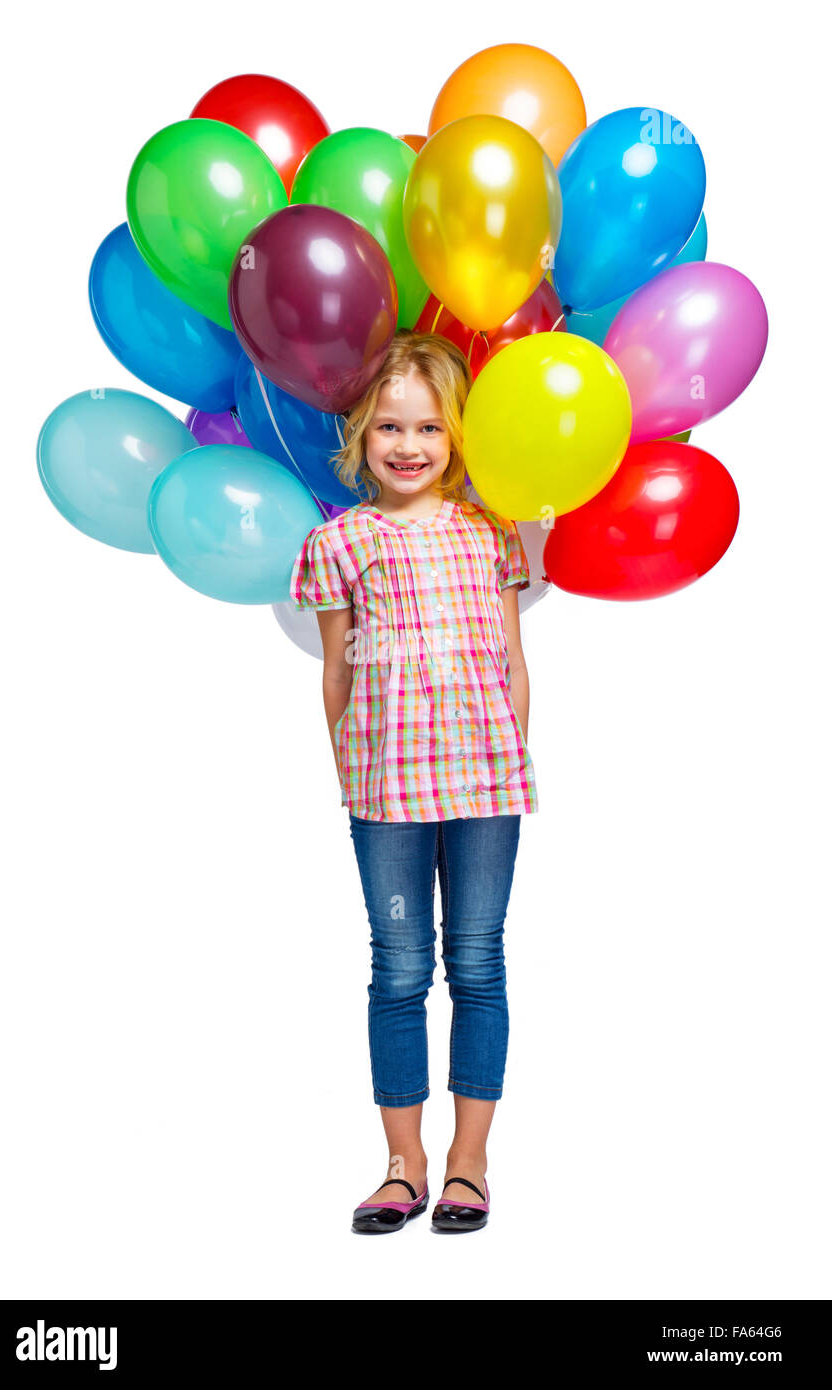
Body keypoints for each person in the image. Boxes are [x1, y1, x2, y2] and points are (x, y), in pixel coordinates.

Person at [290, 329, 539, 1234]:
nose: (408, 446)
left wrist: (512, 749)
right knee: (398, 971)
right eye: (389, 427)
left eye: (429, 429)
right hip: (387, 791)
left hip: (485, 786)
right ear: (359, 433)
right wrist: (352, 771)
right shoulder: (339, 544)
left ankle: (470, 1162)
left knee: (476, 962)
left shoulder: (490, 531)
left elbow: (512, 658)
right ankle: (404, 1163)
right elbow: (335, 673)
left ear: (456, 436)